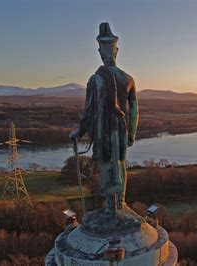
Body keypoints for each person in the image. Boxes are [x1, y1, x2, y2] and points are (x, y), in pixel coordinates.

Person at [69, 22, 138, 214]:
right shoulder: (128, 79)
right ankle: (120, 203)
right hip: (121, 130)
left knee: (108, 163)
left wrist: (79, 133)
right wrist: (131, 133)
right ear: (117, 51)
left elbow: (88, 111)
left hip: (104, 130)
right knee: (120, 163)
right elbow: (133, 110)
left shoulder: (96, 79)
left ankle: (111, 205)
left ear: (101, 52)